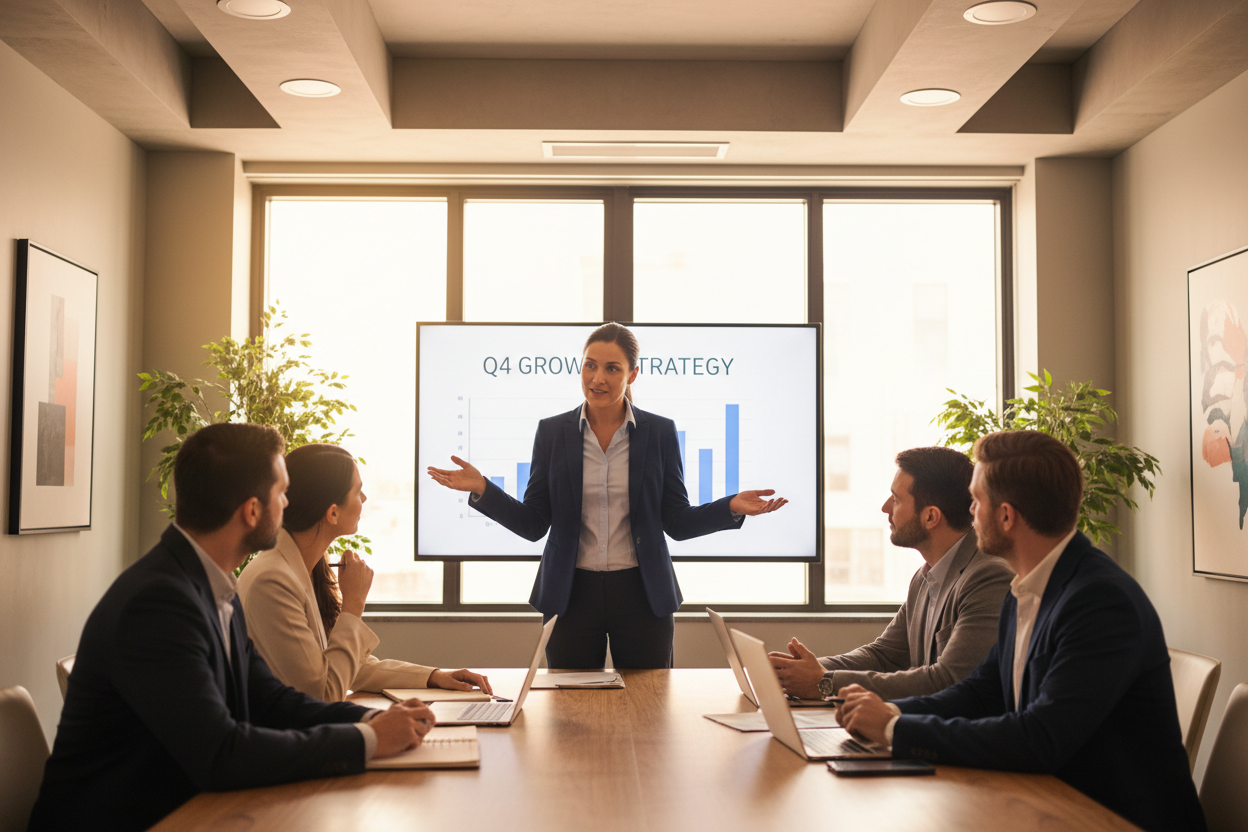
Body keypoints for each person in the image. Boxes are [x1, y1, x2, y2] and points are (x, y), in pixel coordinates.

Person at [29, 424, 436, 832]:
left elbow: (272, 700)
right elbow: (220, 754)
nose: (289, 504)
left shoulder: (210, 585)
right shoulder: (158, 603)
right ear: (253, 510)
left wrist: (369, 721)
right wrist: (369, 741)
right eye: (282, 493)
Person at [836, 430, 1206, 832]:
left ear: (1006, 516)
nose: (968, 512)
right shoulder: (1024, 588)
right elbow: (980, 692)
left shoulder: (1099, 601)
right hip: (1046, 802)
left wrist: (893, 729)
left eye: (975, 502)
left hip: (1112, 819)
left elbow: (1039, 738)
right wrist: (890, 712)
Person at [428, 322, 787, 669]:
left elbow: (675, 520)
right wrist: (482, 490)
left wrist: (731, 508)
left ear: (631, 374)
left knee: (650, 708)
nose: (598, 378)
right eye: (590, 365)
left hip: (642, 592)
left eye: (612, 368)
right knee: (569, 713)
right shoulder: (552, 432)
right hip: (571, 594)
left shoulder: (659, 432)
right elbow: (534, 523)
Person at [239, 442, 492, 700]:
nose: (365, 499)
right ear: (333, 513)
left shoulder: (300, 568)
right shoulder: (272, 582)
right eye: (358, 491)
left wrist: (434, 676)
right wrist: (353, 605)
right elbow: (323, 693)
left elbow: (349, 667)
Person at [768, 446, 1012, 700]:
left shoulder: (988, 577)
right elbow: (883, 656)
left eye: (896, 499)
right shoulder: (925, 577)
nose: (885, 508)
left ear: (931, 517)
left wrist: (825, 682)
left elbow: (948, 681)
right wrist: (797, 671)